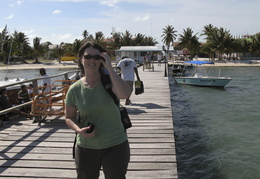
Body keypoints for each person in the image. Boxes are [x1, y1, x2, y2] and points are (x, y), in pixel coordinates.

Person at [65, 41, 132, 179]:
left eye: (97, 57)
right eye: (88, 56)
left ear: (102, 59)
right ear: (81, 59)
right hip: (86, 147)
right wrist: (78, 130)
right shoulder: (75, 89)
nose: (92, 60)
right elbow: (69, 117)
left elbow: (125, 94)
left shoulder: (110, 81)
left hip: (116, 145)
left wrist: (110, 67)